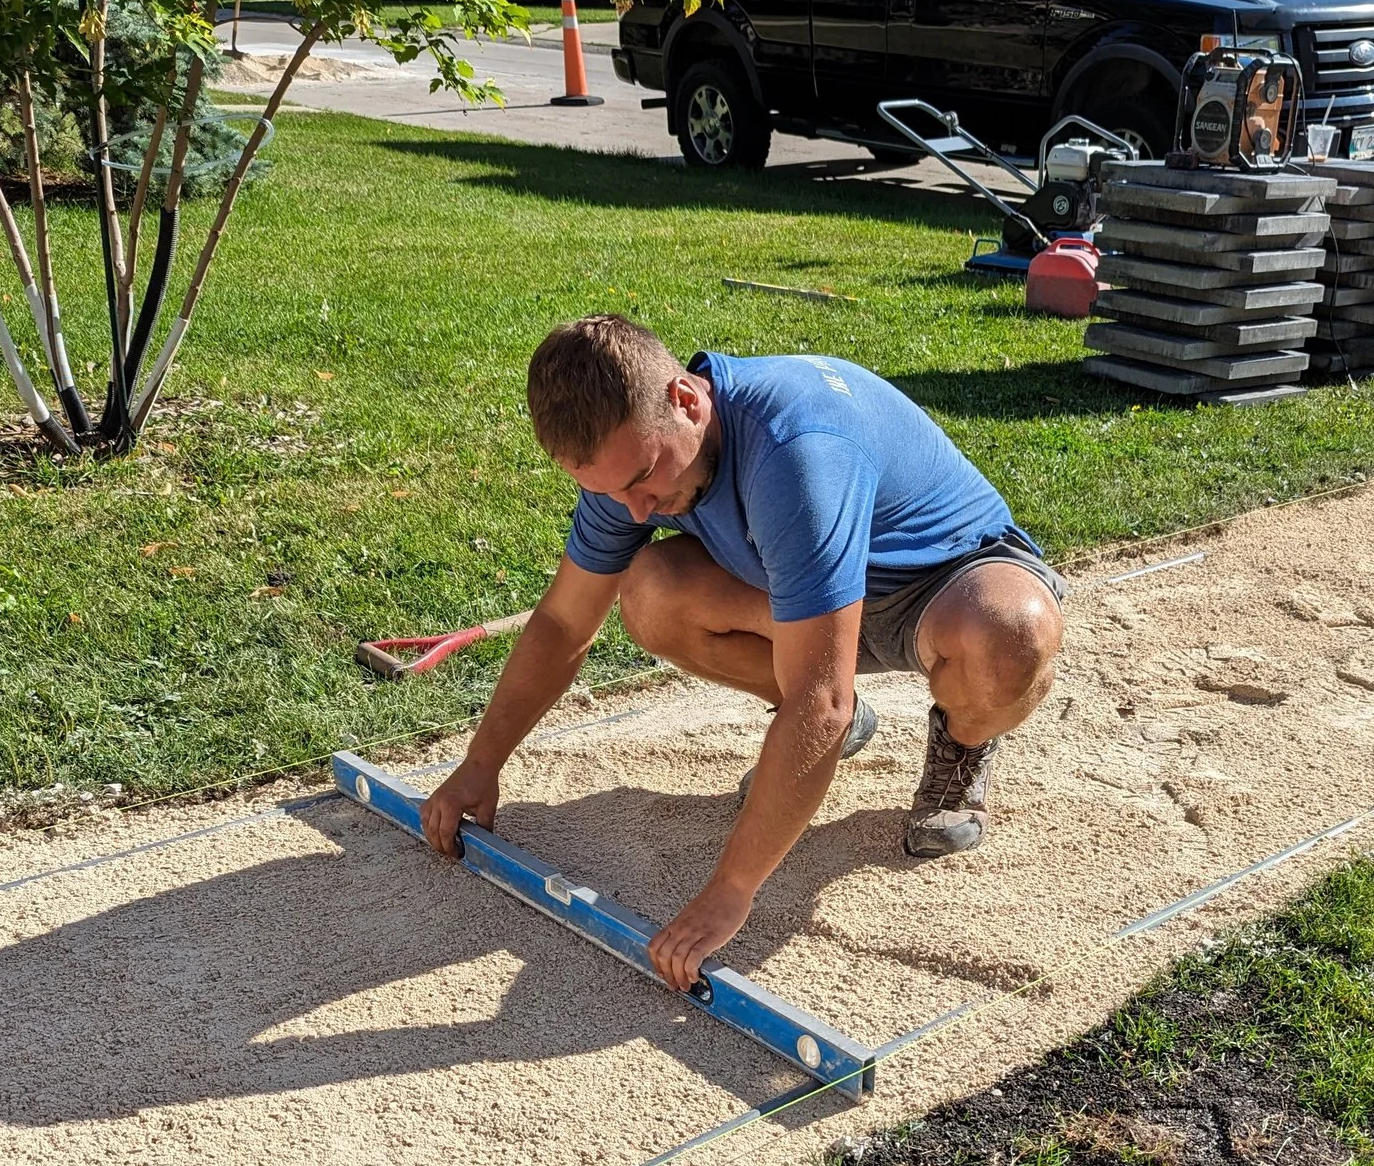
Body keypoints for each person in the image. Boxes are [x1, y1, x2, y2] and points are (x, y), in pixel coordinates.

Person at [418, 315, 1066, 995]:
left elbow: (825, 703)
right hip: (800, 594)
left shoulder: (795, 450)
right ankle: (826, 709)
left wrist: (731, 889)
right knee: (649, 591)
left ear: (687, 401)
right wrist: (480, 764)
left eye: (642, 480)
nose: (636, 512)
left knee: (1008, 638)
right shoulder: (632, 465)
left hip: (940, 588)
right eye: (612, 492)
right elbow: (560, 624)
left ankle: (963, 744)